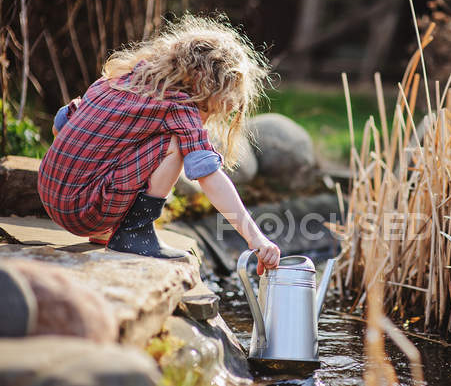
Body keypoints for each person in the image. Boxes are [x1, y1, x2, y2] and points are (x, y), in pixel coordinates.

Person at [38, 14, 280, 274]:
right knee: (175, 142)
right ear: (209, 86)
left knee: (131, 144)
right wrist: (256, 238)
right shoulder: (179, 108)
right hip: (82, 212)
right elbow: (209, 177)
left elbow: (61, 122)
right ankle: (134, 234)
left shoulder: (123, 79)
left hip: (48, 194)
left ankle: (107, 229)